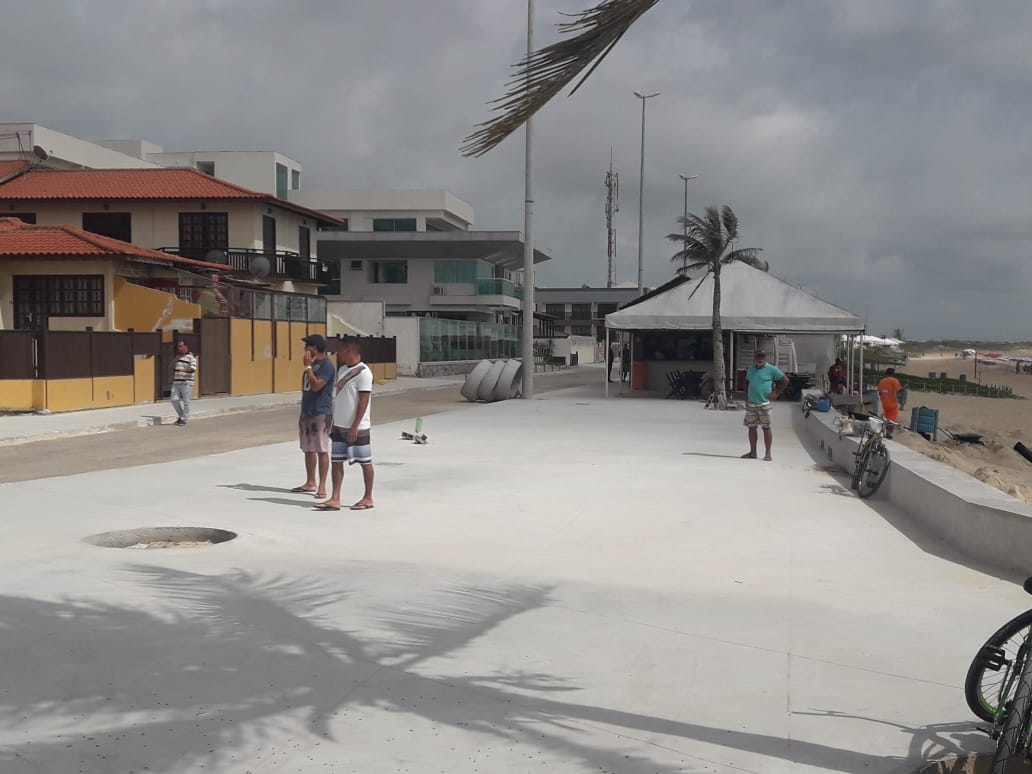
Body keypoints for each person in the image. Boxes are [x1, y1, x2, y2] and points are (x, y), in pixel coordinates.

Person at [317, 336, 375, 511]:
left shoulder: (364, 373)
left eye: (341, 350)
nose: (338, 354)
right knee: (337, 461)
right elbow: (341, 399)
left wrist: (355, 426)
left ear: (349, 350)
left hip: (358, 427)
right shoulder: (342, 369)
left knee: (365, 461)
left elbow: (363, 402)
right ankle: (335, 498)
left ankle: (368, 497)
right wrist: (334, 422)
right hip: (340, 426)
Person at [292, 334, 335, 499]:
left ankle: (322, 486)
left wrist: (308, 368)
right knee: (308, 448)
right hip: (307, 411)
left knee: (321, 449)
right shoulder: (312, 365)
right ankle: (310, 481)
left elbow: (317, 386)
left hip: (321, 413)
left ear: (315, 348)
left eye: (307, 347)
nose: (305, 350)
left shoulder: (326, 366)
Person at [742, 350, 789, 461]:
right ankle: (753, 452)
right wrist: (746, 395)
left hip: (764, 403)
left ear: (765, 358)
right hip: (752, 403)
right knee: (751, 427)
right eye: (758, 357)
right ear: (754, 358)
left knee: (766, 428)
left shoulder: (771, 369)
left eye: (762, 357)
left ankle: (768, 454)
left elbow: (785, 380)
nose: (760, 359)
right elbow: (747, 382)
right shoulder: (751, 369)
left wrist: (776, 393)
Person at [170, 340, 197, 426]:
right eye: (178, 346)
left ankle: (183, 419)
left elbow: (192, 369)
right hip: (176, 382)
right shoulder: (178, 357)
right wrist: (175, 360)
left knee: (186, 401)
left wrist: (183, 370)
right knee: (174, 399)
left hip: (186, 382)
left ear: (186, 347)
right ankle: (181, 416)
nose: (179, 348)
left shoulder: (191, 357)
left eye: (181, 346)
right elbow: (172, 367)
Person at [877, 367, 904, 437]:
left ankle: (884, 430)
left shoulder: (882, 381)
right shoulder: (894, 381)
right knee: (892, 420)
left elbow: (879, 392)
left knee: (886, 418)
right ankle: (888, 433)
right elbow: (900, 390)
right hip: (892, 404)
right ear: (893, 374)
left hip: (884, 403)